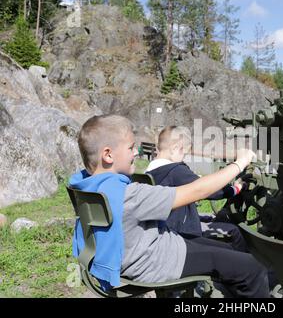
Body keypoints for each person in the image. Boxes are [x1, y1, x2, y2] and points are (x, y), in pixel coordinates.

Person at [69, 114, 269, 298]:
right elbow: (197, 191)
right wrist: (239, 163)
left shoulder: (87, 184)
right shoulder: (129, 195)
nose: (136, 154)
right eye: (131, 148)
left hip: (144, 251)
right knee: (252, 268)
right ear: (108, 155)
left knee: (227, 251)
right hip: (156, 261)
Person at [145, 126, 248, 252]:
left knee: (211, 218)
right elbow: (211, 191)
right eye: (184, 154)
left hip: (169, 226)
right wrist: (235, 189)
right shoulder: (175, 170)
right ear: (176, 148)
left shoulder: (150, 171)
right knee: (235, 232)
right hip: (183, 233)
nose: (184, 158)